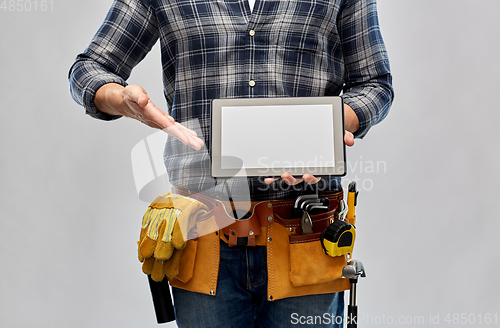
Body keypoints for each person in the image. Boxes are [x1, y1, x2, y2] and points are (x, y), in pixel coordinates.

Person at [69, 0, 393, 327]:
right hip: (201, 234)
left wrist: (331, 125)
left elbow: (376, 83)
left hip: (306, 233)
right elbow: (89, 68)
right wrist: (121, 99)